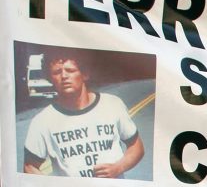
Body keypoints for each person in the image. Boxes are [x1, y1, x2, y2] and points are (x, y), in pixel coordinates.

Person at [22, 48, 144, 178]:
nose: (64, 76)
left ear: (85, 74)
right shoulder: (42, 121)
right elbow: (29, 167)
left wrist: (118, 167)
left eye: (70, 70)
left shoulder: (112, 104)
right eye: (57, 72)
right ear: (50, 78)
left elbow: (136, 146)